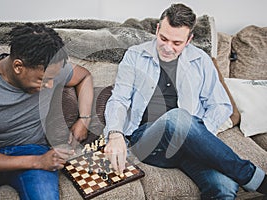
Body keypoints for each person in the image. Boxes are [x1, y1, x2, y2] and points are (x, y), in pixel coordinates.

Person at [103, 3, 266, 199]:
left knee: (224, 187)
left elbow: (220, 105)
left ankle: (242, 176)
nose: (167, 47)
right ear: (157, 29)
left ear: (189, 39)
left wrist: (198, 135)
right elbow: (119, 99)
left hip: (189, 147)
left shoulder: (201, 60)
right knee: (178, 118)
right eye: (163, 38)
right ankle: (253, 176)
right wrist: (114, 134)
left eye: (176, 43)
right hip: (148, 142)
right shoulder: (135, 56)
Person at [0, 23, 93, 199]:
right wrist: (38, 162)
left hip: (33, 147)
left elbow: (85, 76)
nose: (50, 85)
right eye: (43, 80)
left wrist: (84, 119)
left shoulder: (51, 68)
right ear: (18, 67)